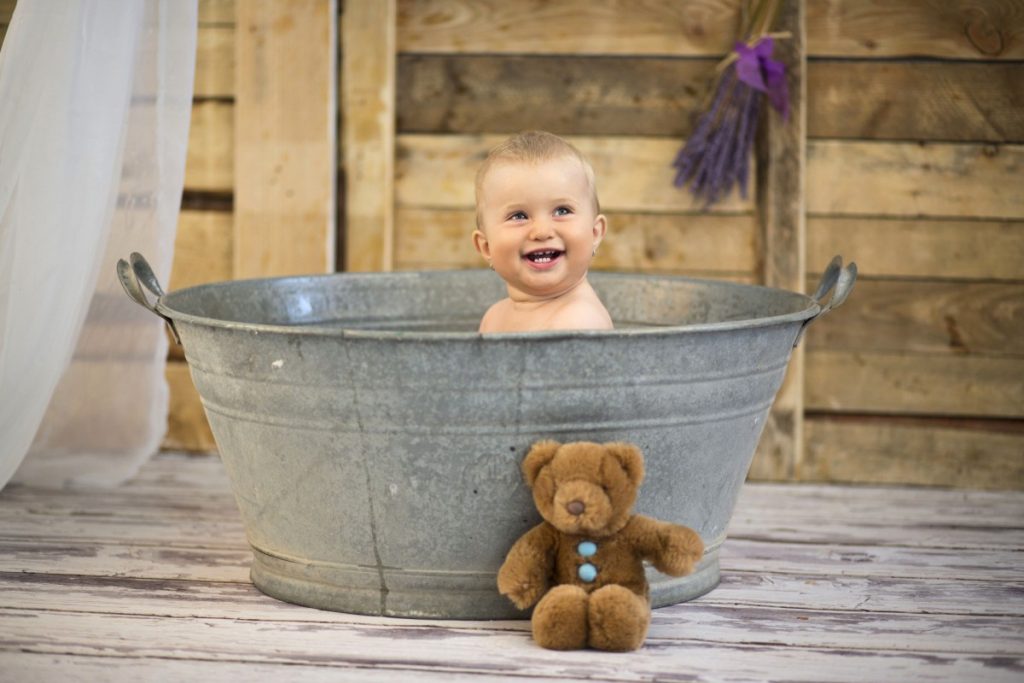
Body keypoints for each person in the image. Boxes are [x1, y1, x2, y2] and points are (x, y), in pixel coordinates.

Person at [472, 131, 614, 333]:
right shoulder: (494, 317)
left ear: (595, 233)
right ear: (486, 247)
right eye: (519, 216)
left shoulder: (578, 321)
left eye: (562, 211)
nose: (542, 231)